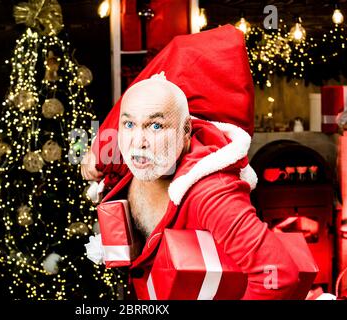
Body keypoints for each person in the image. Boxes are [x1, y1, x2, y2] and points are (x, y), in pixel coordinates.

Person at [81, 25, 300, 299]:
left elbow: (279, 275)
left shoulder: (211, 193)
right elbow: (92, 157)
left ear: (186, 131)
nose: (138, 141)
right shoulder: (135, 158)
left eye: (156, 126)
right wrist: (92, 152)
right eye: (129, 124)